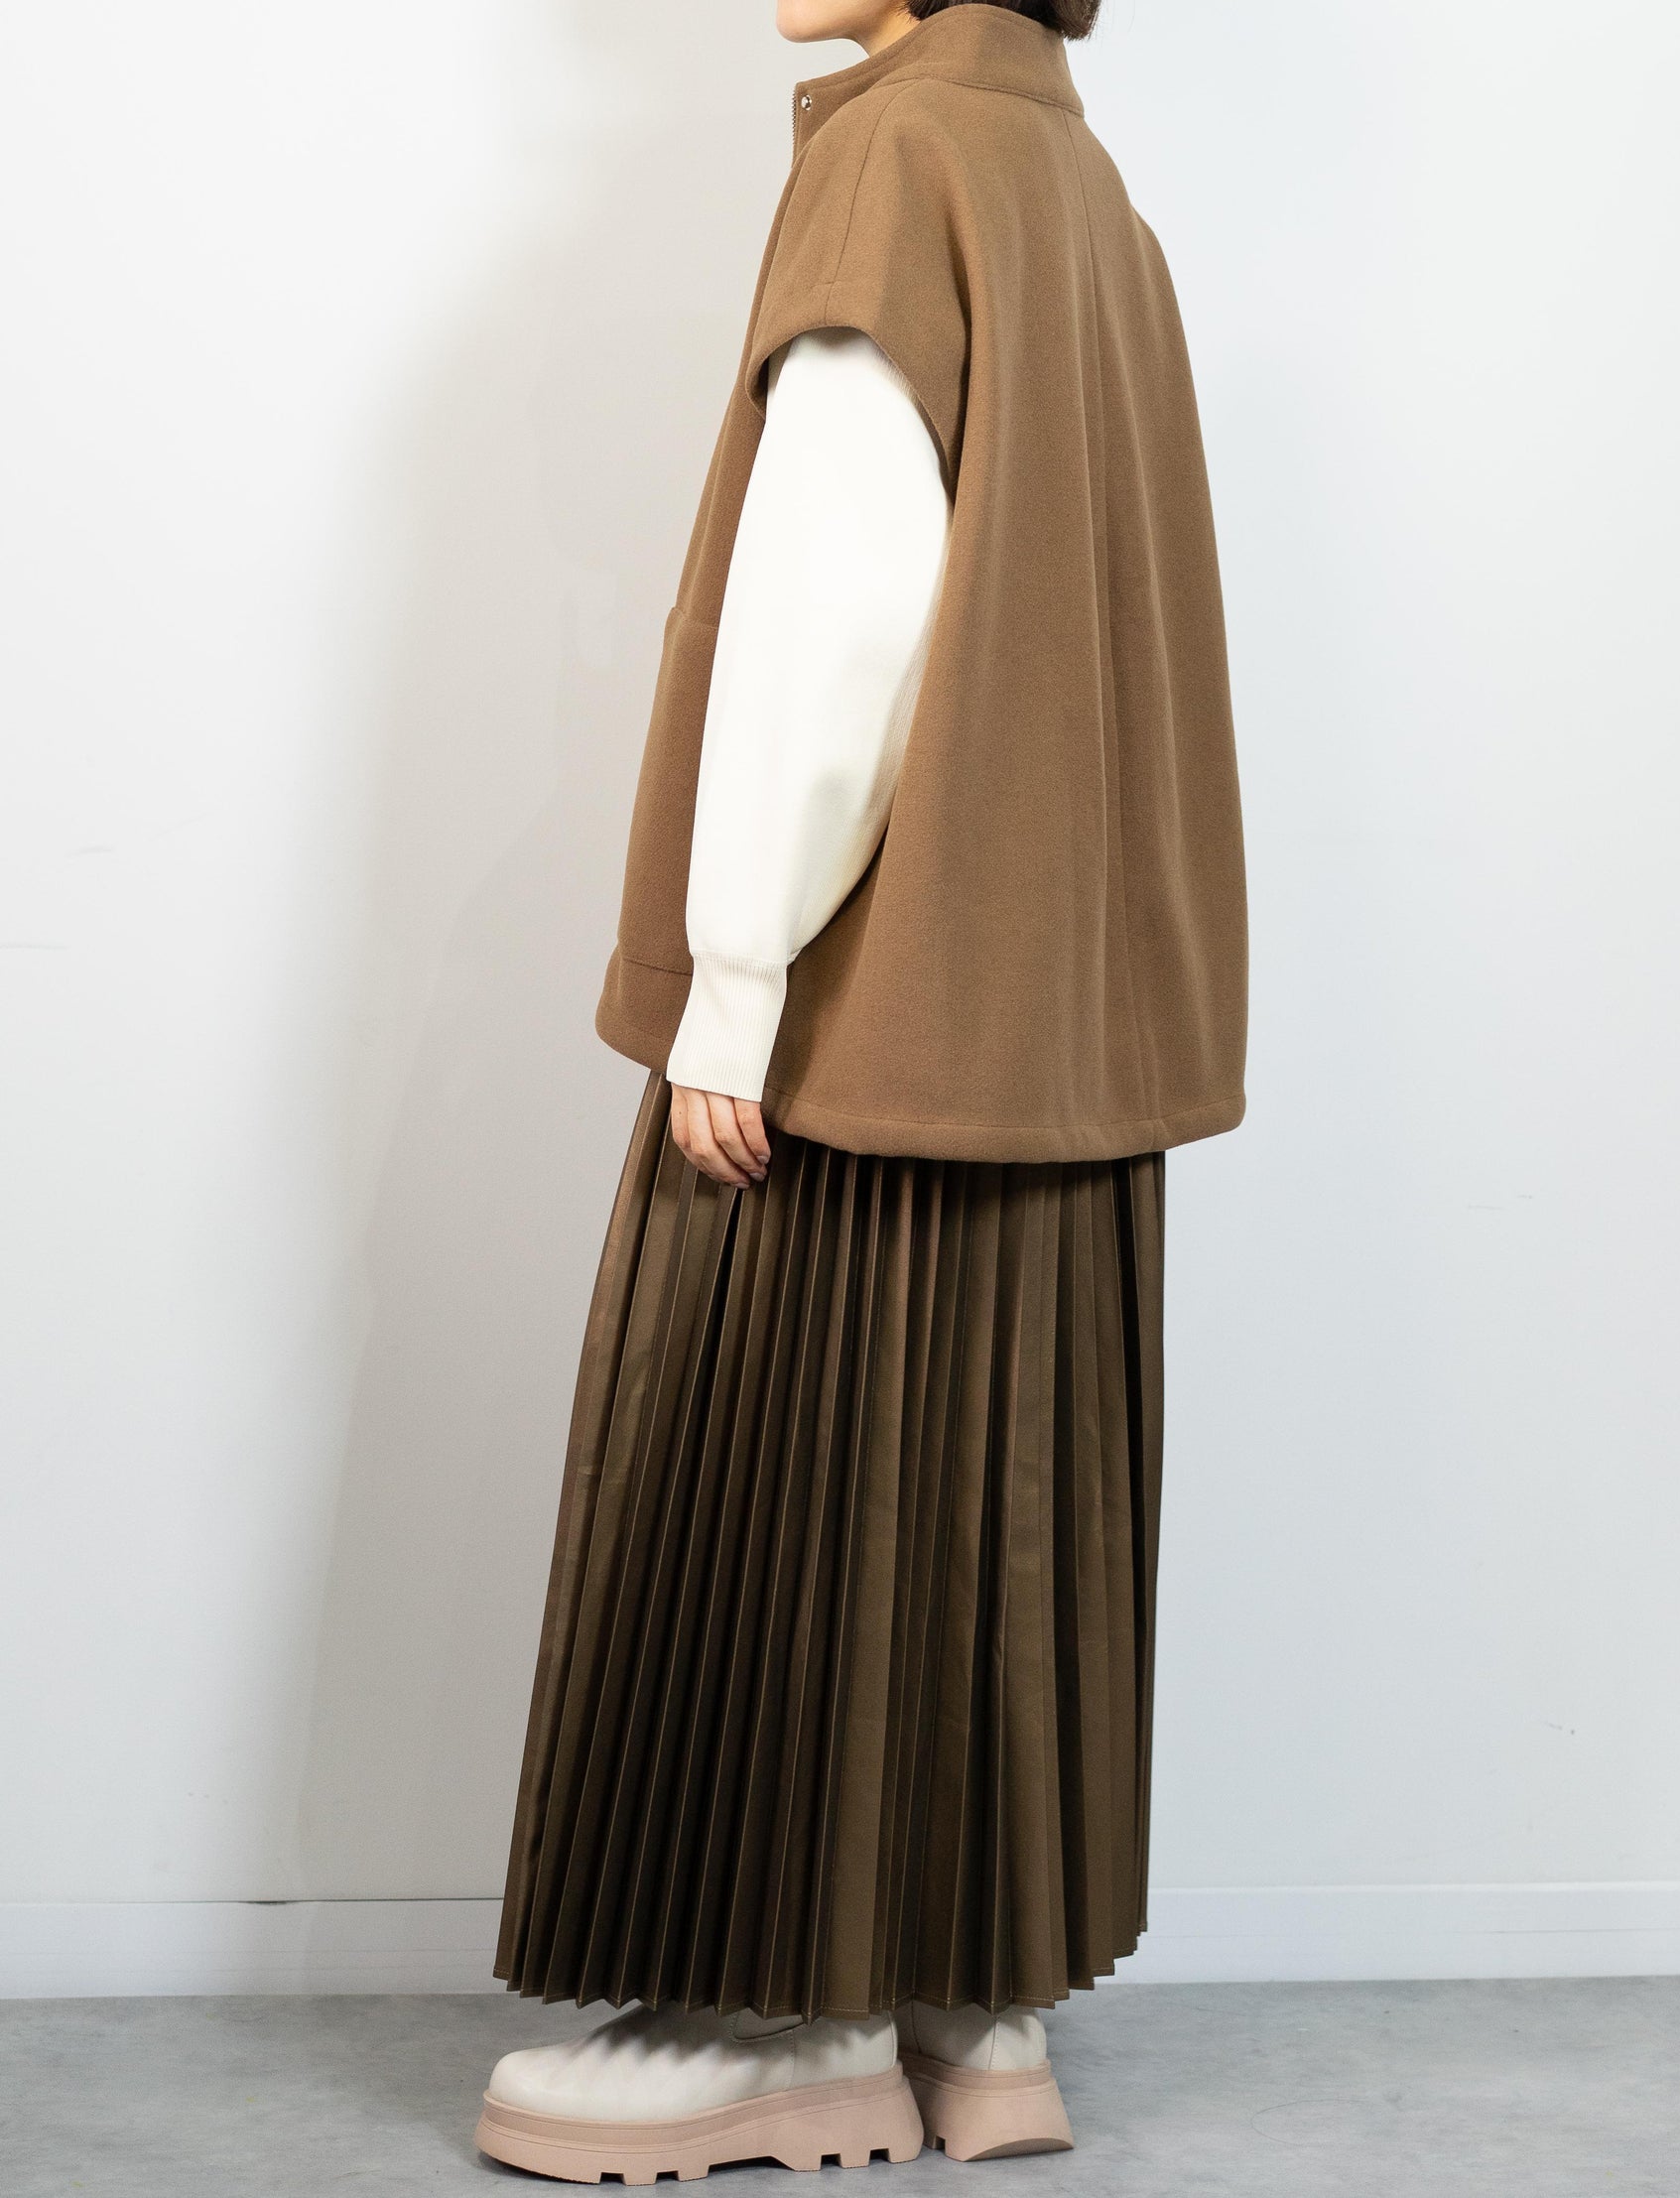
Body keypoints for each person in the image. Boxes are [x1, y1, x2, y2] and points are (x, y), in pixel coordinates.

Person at [475, 0, 1247, 2179]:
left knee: (786, 1464)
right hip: (1059, 1029)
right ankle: (975, 2014)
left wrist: (736, 977)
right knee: (988, 1501)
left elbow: (840, 606)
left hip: (875, 1013)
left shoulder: (896, 162)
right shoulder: (1085, 190)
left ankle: (774, 2022)